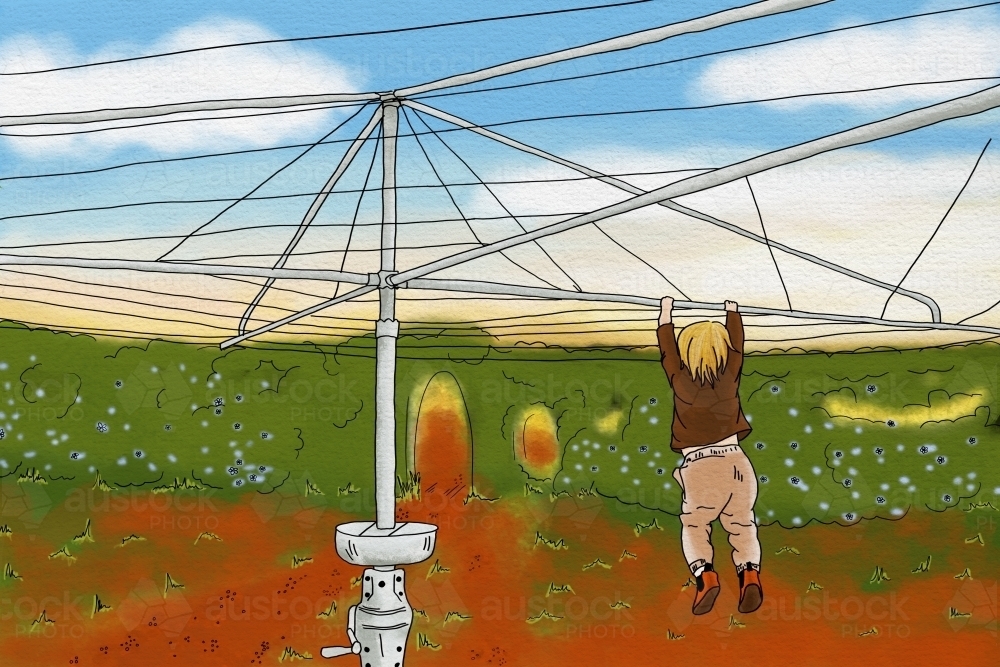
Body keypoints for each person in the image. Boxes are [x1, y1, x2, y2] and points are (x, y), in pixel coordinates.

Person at [657, 296, 762, 616]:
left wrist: (665, 313)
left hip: (701, 466)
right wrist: (733, 313)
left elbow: (667, 351)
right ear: (723, 350)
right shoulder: (729, 375)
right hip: (737, 461)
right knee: (742, 524)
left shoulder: (680, 379)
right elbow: (738, 347)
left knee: (695, 524)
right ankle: (750, 574)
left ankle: (706, 574)